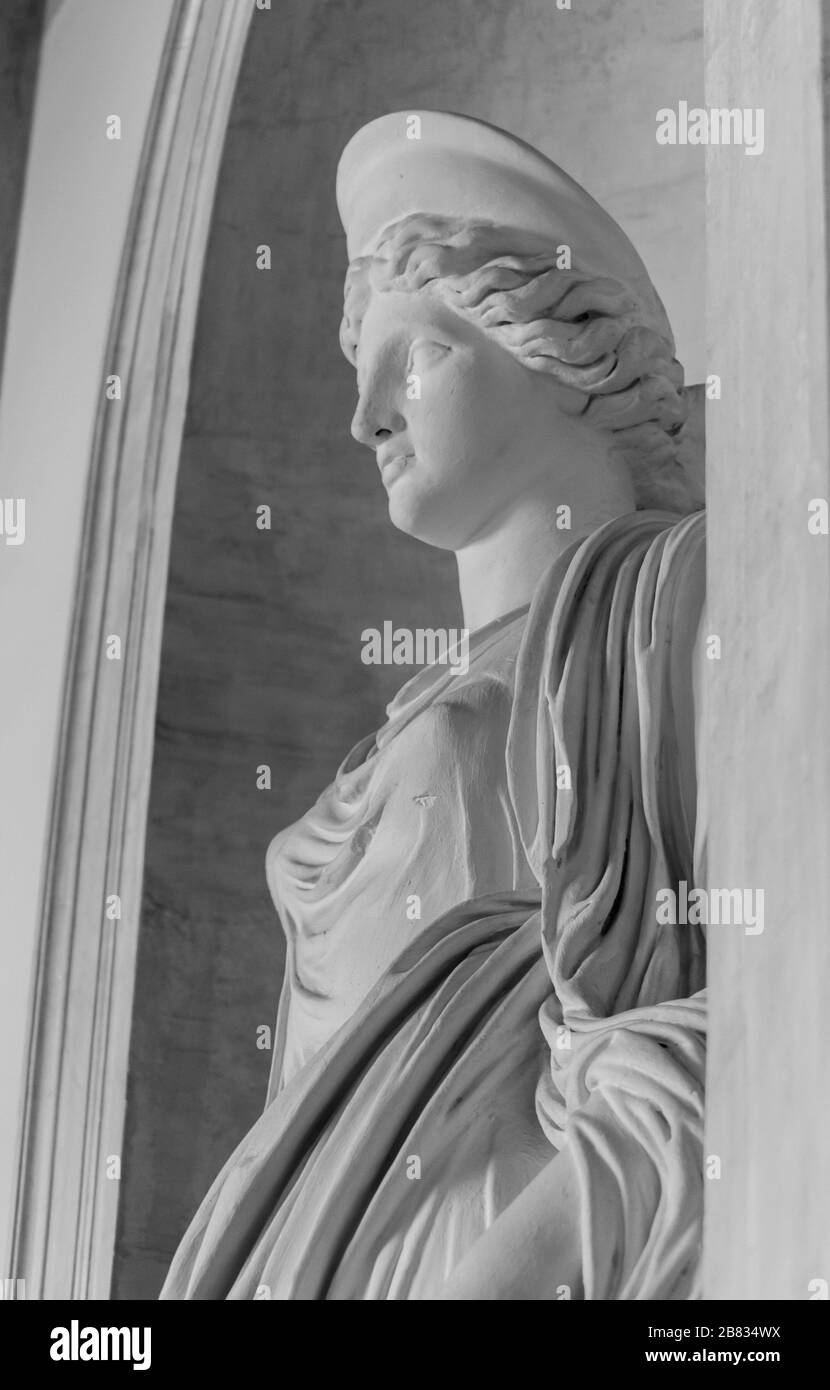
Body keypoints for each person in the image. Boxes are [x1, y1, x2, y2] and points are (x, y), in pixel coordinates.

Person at [161, 110, 707, 1301]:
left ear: (555, 350)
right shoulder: (406, 721)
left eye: (409, 358)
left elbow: (729, 1016)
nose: (365, 416)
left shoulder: (664, 609)